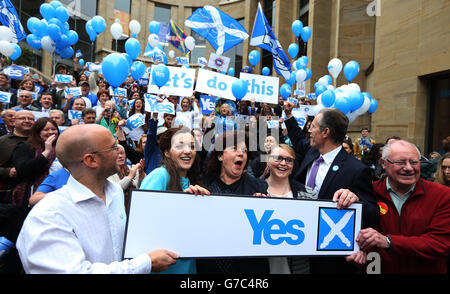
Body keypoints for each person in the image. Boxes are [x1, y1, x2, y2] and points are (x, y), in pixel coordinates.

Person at [16, 124, 179, 273]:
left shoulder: (115, 192)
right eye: (114, 147)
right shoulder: (48, 216)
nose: (120, 152)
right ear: (91, 160)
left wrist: (193, 201)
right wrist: (145, 263)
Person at [283, 103, 379, 273]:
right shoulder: (312, 153)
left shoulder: (356, 170)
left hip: (328, 257)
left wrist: (356, 199)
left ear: (325, 132)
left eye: (312, 127)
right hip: (298, 240)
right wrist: (288, 114)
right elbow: (297, 139)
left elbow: (372, 212)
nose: (309, 131)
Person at [357, 140, 450, 274]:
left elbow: (439, 244)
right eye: (400, 162)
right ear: (383, 163)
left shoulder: (442, 196)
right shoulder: (368, 193)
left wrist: (388, 241)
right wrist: (357, 251)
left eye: (414, 162)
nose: (408, 168)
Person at [197, 130, 270, 274]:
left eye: (244, 150)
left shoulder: (259, 187)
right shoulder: (202, 185)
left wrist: (266, 211)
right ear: (219, 156)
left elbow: (267, 236)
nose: (241, 153)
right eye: (234, 148)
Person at [140, 126, 209, 274]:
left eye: (192, 146)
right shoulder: (160, 175)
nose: (188, 151)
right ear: (167, 153)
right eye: (179, 146)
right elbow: (142, 223)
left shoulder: (193, 181)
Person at [265, 144, 310, 274]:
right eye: (278, 158)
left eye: (289, 160)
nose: (283, 163)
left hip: (298, 267)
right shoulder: (253, 189)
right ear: (268, 160)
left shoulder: (308, 193)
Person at [11, 117, 60, 207]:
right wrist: (46, 152)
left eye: (54, 129)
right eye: (46, 130)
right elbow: (23, 171)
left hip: (56, 193)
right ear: (38, 132)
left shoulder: (62, 148)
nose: (50, 132)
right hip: (31, 195)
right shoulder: (25, 147)